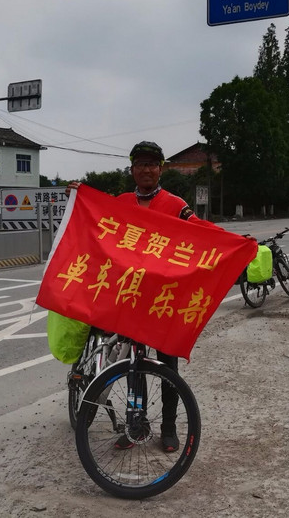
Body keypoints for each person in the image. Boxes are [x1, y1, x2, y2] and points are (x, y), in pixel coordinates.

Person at [67, 140, 212, 453]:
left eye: (152, 163)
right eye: (140, 164)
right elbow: (95, 220)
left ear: (160, 169)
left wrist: (235, 243)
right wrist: (79, 197)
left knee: (167, 367)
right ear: (132, 169)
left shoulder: (175, 204)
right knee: (134, 365)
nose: (146, 169)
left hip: (164, 300)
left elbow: (201, 232)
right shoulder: (120, 202)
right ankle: (137, 425)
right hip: (131, 299)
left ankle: (170, 427)